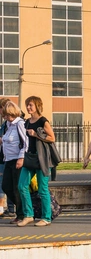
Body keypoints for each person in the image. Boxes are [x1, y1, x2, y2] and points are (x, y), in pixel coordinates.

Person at [17, 96, 56, 227]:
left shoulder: (43, 121)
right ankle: (28, 215)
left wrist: (36, 135)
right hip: (30, 157)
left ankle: (46, 218)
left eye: (31, 105)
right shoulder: (27, 122)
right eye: (27, 105)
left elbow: (52, 138)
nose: (28, 107)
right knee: (22, 185)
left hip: (43, 159)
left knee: (42, 189)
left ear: (37, 106)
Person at [2, 101, 26, 224]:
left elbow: (25, 142)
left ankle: (21, 214)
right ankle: (22, 210)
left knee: (17, 188)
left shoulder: (19, 124)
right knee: (6, 186)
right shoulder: (8, 124)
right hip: (8, 159)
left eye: (7, 115)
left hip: (17, 160)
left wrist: (21, 158)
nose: (5, 117)